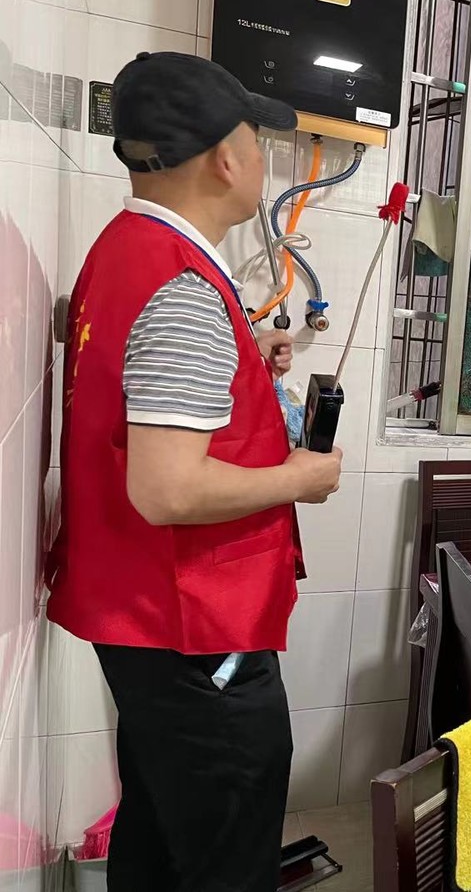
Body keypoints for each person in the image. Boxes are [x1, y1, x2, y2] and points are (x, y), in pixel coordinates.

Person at [46, 52, 343, 891]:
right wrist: (300, 478)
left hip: (143, 617)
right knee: (225, 859)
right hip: (194, 628)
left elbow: (136, 373)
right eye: (258, 141)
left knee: (159, 835)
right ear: (225, 160)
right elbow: (167, 489)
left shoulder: (128, 248)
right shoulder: (183, 288)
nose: (264, 160)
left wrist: (243, 348)